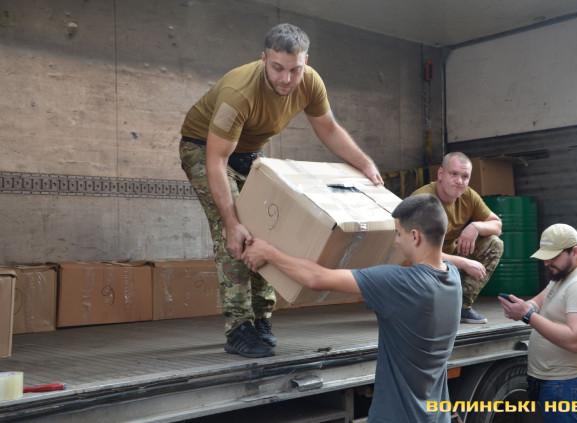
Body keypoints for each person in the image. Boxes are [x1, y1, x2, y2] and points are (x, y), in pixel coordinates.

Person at [179, 23, 383, 358]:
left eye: (294, 69)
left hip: (248, 151)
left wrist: (364, 163)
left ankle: (261, 318)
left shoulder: (310, 82)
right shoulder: (239, 92)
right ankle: (238, 327)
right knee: (236, 232)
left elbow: (328, 128)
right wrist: (231, 222)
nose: (286, 79)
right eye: (277, 68)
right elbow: (216, 161)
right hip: (204, 149)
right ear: (263, 59)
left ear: (306, 62)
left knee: (268, 227)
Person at [242, 194, 461, 422]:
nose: (395, 242)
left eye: (398, 233)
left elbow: (316, 278)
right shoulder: (453, 277)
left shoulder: (400, 284)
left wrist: (267, 252)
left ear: (415, 236)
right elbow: (442, 260)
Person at [499, 224, 577, 423]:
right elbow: (539, 302)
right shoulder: (563, 276)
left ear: (575, 252)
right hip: (563, 385)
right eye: (545, 256)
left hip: (570, 386)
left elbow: (575, 341)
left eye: (553, 256)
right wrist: (524, 307)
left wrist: (527, 315)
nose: (546, 262)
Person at [411, 152, 503, 324]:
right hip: (417, 269)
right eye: (453, 174)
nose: (459, 181)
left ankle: (462, 307)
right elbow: (421, 253)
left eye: (465, 176)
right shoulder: (423, 201)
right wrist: (465, 263)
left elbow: (497, 225)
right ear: (441, 174)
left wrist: (475, 226)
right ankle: (433, 304)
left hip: (447, 261)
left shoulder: (468, 196)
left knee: (494, 244)